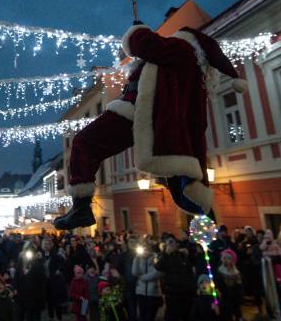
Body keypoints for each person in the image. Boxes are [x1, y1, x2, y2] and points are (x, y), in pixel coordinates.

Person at [54, 25, 248, 229]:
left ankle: (81, 209)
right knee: (87, 145)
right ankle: (83, 207)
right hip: (145, 116)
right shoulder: (190, 68)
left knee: (84, 142)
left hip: (135, 113)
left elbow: (140, 41)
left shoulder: (182, 49)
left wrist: (138, 29)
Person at [154, 237, 195, 321]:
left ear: (177, 244)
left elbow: (190, 272)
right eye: (169, 243)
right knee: (172, 315)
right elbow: (158, 267)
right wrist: (166, 254)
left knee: (186, 314)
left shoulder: (183, 255)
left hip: (185, 292)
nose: (171, 245)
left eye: (173, 243)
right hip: (171, 292)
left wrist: (191, 288)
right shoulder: (164, 256)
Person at [15, 246, 46, 321]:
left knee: (33, 315)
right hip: (22, 294)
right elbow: (16, 276)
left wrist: (37, 261)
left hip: (35, 295)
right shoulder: (21, 262)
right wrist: (15, 288)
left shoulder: (37, 263)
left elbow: (42, 278)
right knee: (21, 314)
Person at [132, 243, 162, 321]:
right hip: (140, 292)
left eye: (147, 250)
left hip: (152, 292)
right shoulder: (138, 259)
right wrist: (136, 259)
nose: (145, 252)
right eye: (144, 250)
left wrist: (142, 277)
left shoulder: (155, 259)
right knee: (142, 316)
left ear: (150, 250)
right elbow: (134, 272)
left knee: (150, 315)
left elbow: (156, 273)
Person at [216, 249, 243, 321]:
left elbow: (239, 286)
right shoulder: (219, 271)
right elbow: (217, 284)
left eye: (228, 258)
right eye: (224, 258)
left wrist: (239, 297)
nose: (226, 260)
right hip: (224, 298)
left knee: (236, 314)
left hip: (234, 297)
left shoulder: (236, 272)